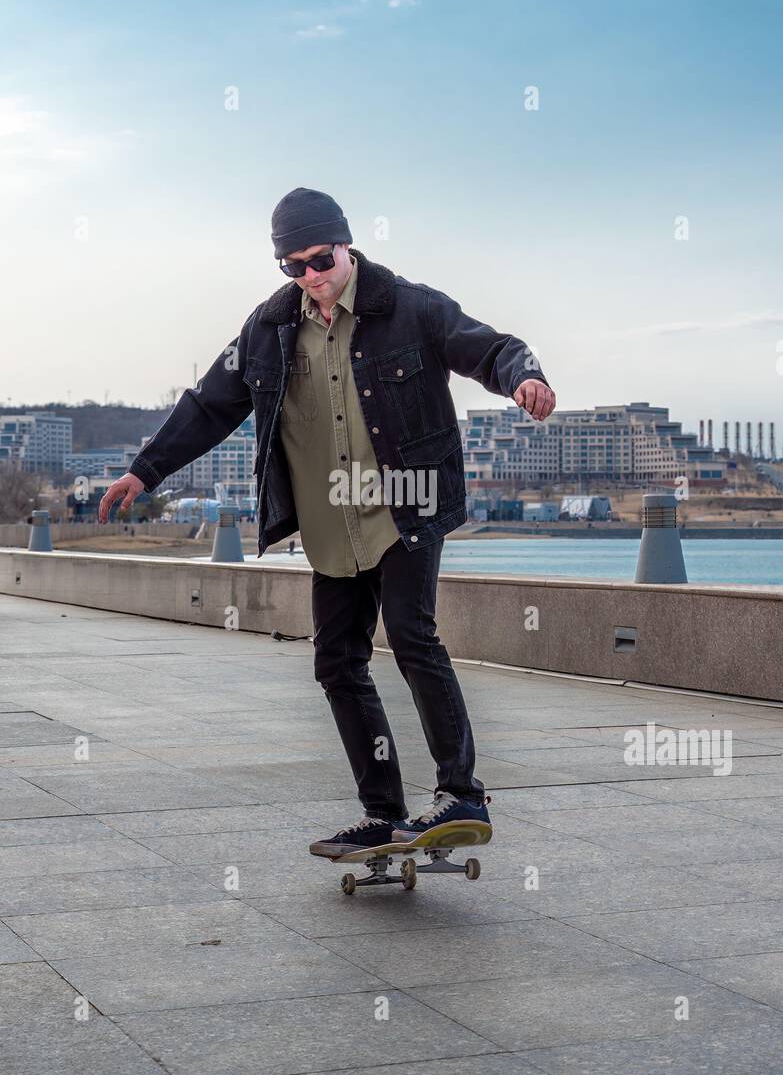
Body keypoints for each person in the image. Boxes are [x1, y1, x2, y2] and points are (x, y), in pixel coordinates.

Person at [99, 188, 556, 858]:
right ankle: (382, 811)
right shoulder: (270, 327)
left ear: (346, 245)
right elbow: (207, 406)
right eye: (294, 266)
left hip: (406, 505)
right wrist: (146, 470)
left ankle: (461, 794)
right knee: (336, 663)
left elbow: (490, 348)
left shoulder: (408, 306)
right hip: (328, 521)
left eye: (321, 258)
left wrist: (524, 378)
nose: (311, 275)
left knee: (410, 635)